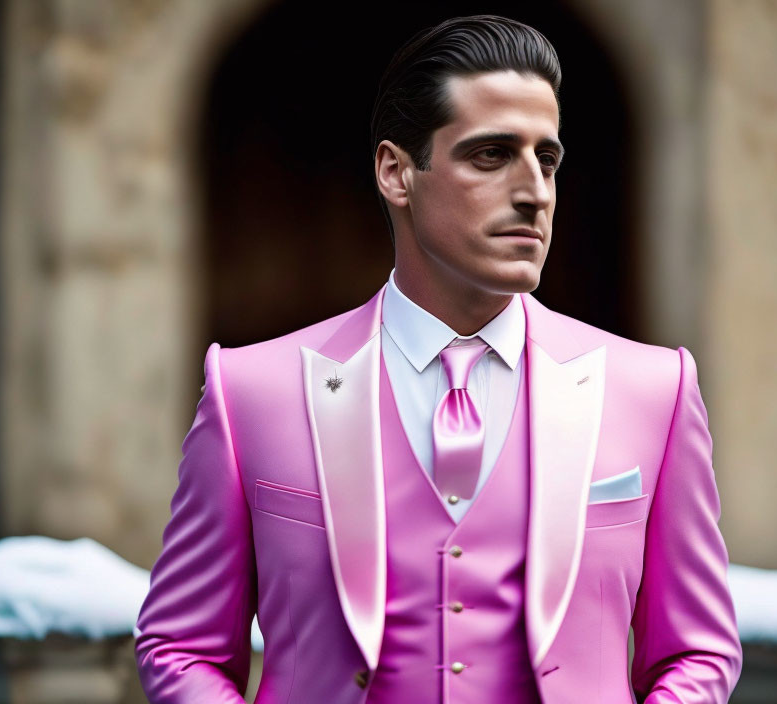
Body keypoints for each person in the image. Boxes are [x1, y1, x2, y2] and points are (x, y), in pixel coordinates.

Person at [134, 14, 742, 704]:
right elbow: (180, 646)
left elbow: (697, 650)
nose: (534, 192)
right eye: (491, 155)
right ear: (397, 173)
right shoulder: (252, 391)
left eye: (546, 159)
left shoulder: (654, 390)